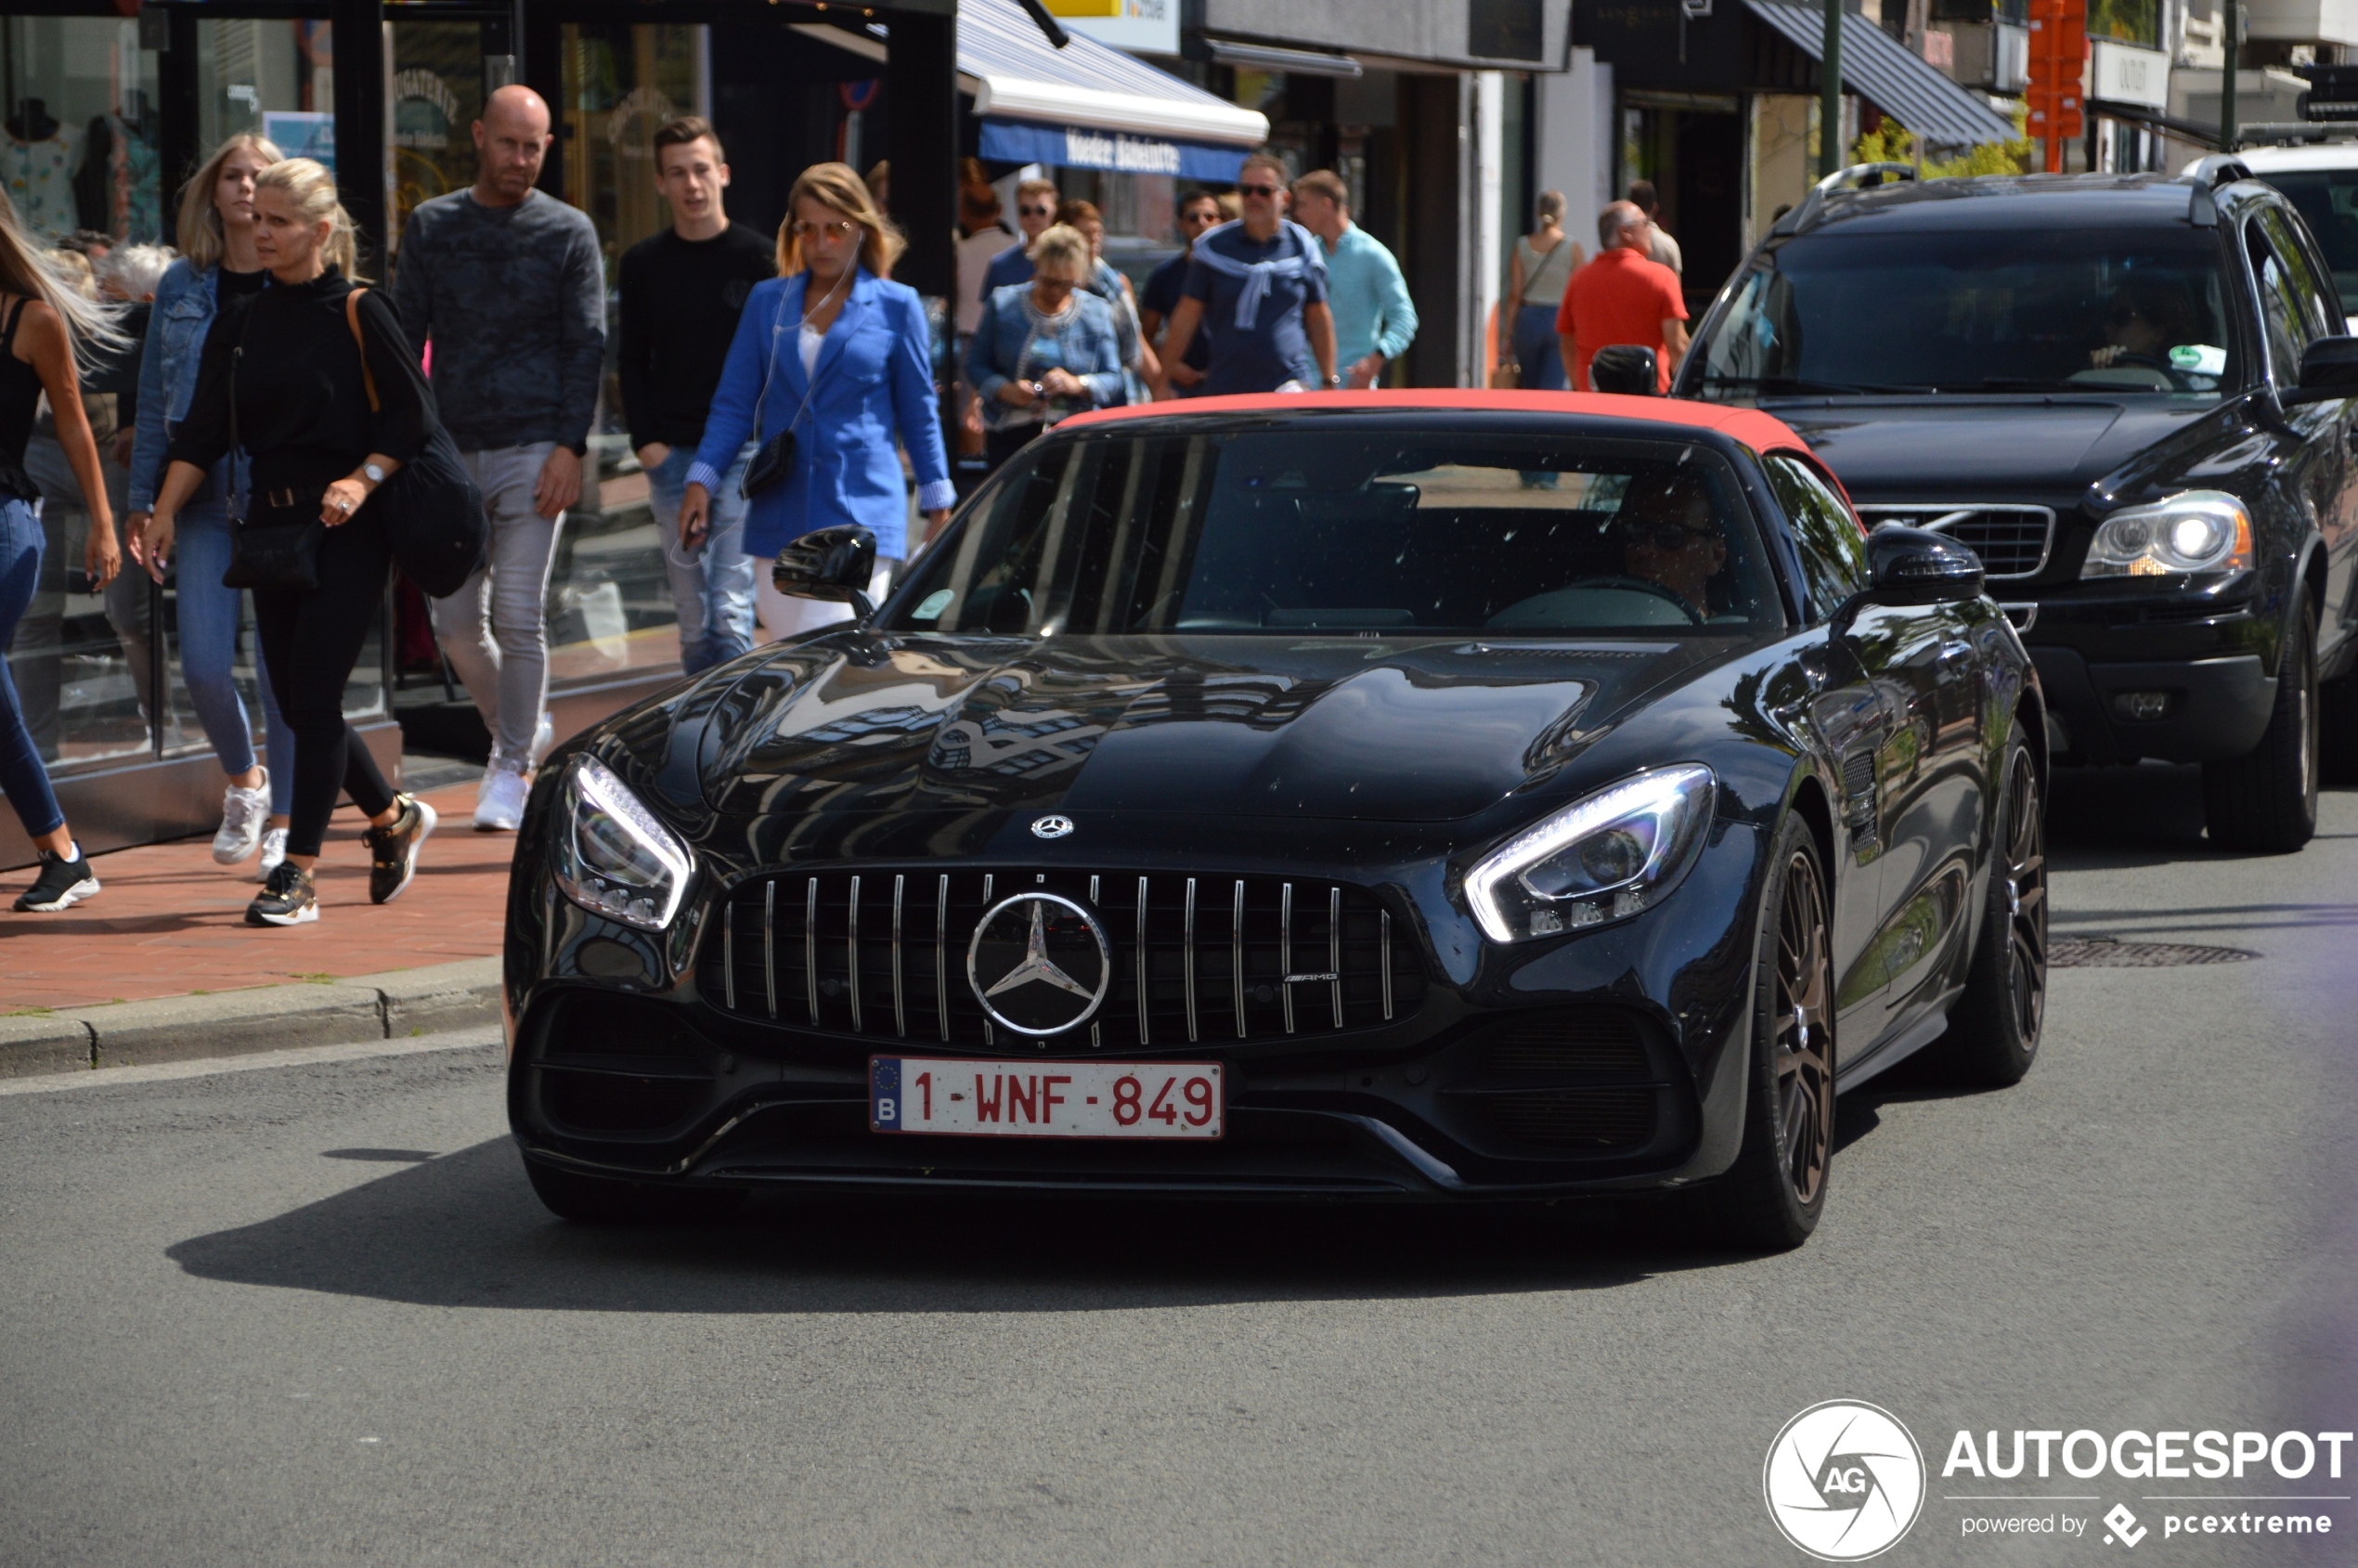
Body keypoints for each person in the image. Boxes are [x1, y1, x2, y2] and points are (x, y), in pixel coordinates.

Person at [143, 159, 437, 928]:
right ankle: (391, 816)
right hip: (268, 528)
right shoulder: (240, 320)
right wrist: (164, 510)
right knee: (308, 706)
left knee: (310, 696)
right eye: (256, 218)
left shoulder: (362, 309)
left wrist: (363, 478)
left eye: (277, 220)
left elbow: (413, 420)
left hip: (347, 525)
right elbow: (203, 426)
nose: (259, 229)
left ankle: (297, 872)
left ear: (321, 229)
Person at [391, 84, 603, 833]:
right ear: (479, 135)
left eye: (535, 146)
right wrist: (406, 444)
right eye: (510, 143)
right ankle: (513, 725)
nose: (521, 159)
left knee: (517, 613)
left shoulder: (569, 232)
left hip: (534, 446)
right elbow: (402, 335)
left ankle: (512, 765)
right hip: (449, 449)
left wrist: (571, 446)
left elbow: (586, 345)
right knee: (453, 626)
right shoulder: (433, 225)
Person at [680, 163, 952, 641]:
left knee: (841, 662)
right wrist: (701, 480)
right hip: (778, 512)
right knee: (790, 663)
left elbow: (918, 412)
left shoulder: (896, 305)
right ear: (795, 231)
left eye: (837, 229)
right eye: (809, 229)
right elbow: (734, 404)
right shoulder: (769, 302)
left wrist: (938, 504)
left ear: (861, 228)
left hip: (862, 511)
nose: (822, 243)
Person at [125, 134, 296, 879]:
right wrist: (142, 500)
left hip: (280, 491)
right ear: (213, 190)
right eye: (233, 175)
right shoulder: (182, 285)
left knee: (283, 667)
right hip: (196, 494)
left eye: (260, 176)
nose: (247, 188)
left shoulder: (296, 281)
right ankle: (245, 782)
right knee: (200, 663)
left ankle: (290, 820)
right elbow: (156, 396)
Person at [0, 188, 122, 912]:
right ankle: (63, 853)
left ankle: (64, 852)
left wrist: (103, 524)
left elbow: (75, 424)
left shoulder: (31, 319)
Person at [617, 116, 773, 677]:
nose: (692, 184)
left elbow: (774, 362)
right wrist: (648, 444)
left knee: (730, 607)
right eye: (677, 173)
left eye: (701, 170)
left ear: (723, 174)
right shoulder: (642, 263)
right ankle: (697, 734)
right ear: (660, 183)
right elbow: (630, 360)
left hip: (740, 453)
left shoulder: (759, 260)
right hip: (672, 455)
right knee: (690, 614)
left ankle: (730, 727)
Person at [1160, 152, 1338, 396]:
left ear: (1284, 198)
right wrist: (1162, 382)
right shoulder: (1213, 248)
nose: (1254, 198)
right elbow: (1185, 318)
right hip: (1227, 386)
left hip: (1289, 385)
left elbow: (1318, 317)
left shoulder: (1302, 247)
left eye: (1263, 191)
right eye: (1246, 190)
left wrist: (1329, 381)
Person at [965, 224, 1127, 471]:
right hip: (1010, 433)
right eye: (1048, 281)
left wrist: (1077, 384)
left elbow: (1114, 377)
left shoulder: (1096, 311)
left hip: (1075, 434)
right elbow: (975, 364)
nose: (1055, 291)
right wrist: (1005, 389)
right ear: (1036, 267)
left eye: (1066, 283)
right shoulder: (1003, 303)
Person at [1289, 170, 1416, 390]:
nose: (1298, 213)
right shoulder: (1307, 254)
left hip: (1354, 387)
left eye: (1304, 205)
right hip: (1306, 386)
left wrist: (1375, 360)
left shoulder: (1373, 255)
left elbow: (1405, 317)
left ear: (1326, 205)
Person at [1558, 201, 1688, 394]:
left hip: (1593, 401)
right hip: (1648, 398)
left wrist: (1580, 386)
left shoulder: (1579, 279)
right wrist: (1688, 390)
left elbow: (1567, 342)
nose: (1650, 230)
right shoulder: (1662, 277)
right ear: (1625, 232)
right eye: (1645, 224)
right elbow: (1676, 345)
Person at [1056, 199, 1158, 400]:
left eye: (1098, 232)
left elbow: (1135, 339)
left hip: (1118, 387)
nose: (1094, 239)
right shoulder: (1052, 285)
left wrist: (1159, 383)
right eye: (1086, 233)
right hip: (1068, 388)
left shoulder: (1116, 283)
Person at [1139, 189, 1222, 397]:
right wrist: (1171, 366)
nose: (1202, 223)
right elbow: (1145, 335)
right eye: (1193, 217)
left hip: (1226, 378)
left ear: (1220, 221)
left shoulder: (1234, 271)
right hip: (1181, 386)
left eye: (1209, 216)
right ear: (1181, 224)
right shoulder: (1165, 274)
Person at [1614, 473, 1727, 617]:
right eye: (1635, 529)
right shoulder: (1585, 621)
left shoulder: (1730, 636)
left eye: (1670, 534)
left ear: (1716, 556)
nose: (1643, 549)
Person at [1506, 190, 1580, 391]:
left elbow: (1515, 294)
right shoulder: (1572, 247)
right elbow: (1580, 291)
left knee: (1529, 386)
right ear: (1562, 214)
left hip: (1528, 319)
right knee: (1553, 387)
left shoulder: (1522, 245)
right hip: (1559, 318)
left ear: (1538, 213)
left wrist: (1507, 334)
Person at [978, 177, 1060, 305]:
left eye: (1041, 210)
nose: (1033, 217)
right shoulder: (1000, 265)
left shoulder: (1067, 264)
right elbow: (990, 316)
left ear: (1054, 212)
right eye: (1025, 211)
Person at [1627, 179, 1683, 276]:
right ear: (1655, 207)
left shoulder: (1622, 241)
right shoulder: (1669, 244)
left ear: (1630, 206)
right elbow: (1676, 287)